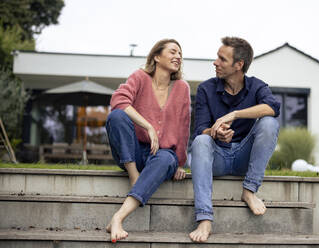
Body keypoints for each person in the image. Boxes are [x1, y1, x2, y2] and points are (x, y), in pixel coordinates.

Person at [189, 37, 280, 242]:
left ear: (238, 65)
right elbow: (200, 132)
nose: (215, 62)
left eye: (222, 59)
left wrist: (235, 114)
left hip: (244, 159)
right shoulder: (206, 89)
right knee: (201, 142)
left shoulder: (257, 86)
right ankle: (204, 217)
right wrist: (216, 132)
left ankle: (249, 191)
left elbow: (273, 108)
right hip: (217, 158)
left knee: (269, 123)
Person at [105, 39, 191, 242]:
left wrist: (180, 162)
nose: (177, 56)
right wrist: (148, 126)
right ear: (156, 56)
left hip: (162, 155)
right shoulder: (139, 77)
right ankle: (135, 177)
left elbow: (183, 127)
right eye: (172, 52)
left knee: (165, 159)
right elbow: (118, 101)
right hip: (132, 152)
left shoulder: (182, 88)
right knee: (116, 117)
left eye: (180, 53)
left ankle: (118, 217)